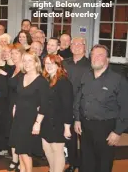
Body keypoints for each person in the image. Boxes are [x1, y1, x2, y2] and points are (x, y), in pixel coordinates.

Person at [74, 44, 128, 172]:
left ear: (107, 59)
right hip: (85, 127)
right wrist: (77, 119)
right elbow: (78, 99)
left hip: (106, 128)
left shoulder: (118, 80)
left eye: (100, 55)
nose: (95, 58)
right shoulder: (86, 76)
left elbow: (126, 107)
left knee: (103, 164)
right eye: (93, 55)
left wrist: (118, 131)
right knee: (86, 161)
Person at [9, 51, 49, 172]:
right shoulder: (22, 76)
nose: (26, 63)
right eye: (24, 60)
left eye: (30, 60)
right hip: (19, 117)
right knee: (19, 150)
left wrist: (37, 123)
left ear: (36, 62)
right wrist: (15, 109)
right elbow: (18, 97)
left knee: (25, 152)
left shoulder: (41, 81)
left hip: (31, 119)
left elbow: (44, 105)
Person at [63, 37, 91, 172]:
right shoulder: (64, 63)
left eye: (80, 44)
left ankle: (85, 165)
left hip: (83, 107)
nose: (77, 46)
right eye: (74, 43)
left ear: (85, 47)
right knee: (70, 137)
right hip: (66, 105)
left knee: (84, 138)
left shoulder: (90, 65)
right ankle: (73, 163)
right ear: (70, 46)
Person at [41, 54, 73, 172]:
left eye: (52, 63)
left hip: (59, 122)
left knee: (57, 150)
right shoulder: (45, 80)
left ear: (58, 65)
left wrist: (67, 128)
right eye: (46, 63)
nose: (48, 66)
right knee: (47, 148)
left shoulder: (64, 82)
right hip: (46, 121)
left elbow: (68, 107)